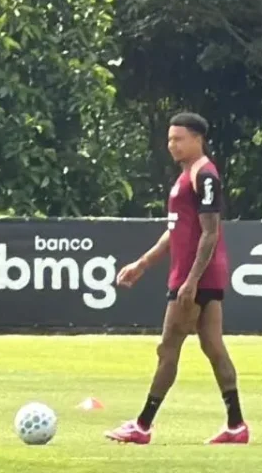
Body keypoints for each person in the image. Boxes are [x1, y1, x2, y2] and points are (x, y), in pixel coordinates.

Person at [104, 112, 249, 445]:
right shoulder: (186, 176)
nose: (172, 145)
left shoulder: (204, 175)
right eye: (170, 139)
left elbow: (210, 233)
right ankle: (236, 425)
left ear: (198, 139)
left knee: (168, 349)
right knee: (213, 346)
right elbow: (175, 232)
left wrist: (191, 280)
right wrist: (143, 263)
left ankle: (142, 426)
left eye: (179, 139)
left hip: (195, 276)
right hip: (199, 276)